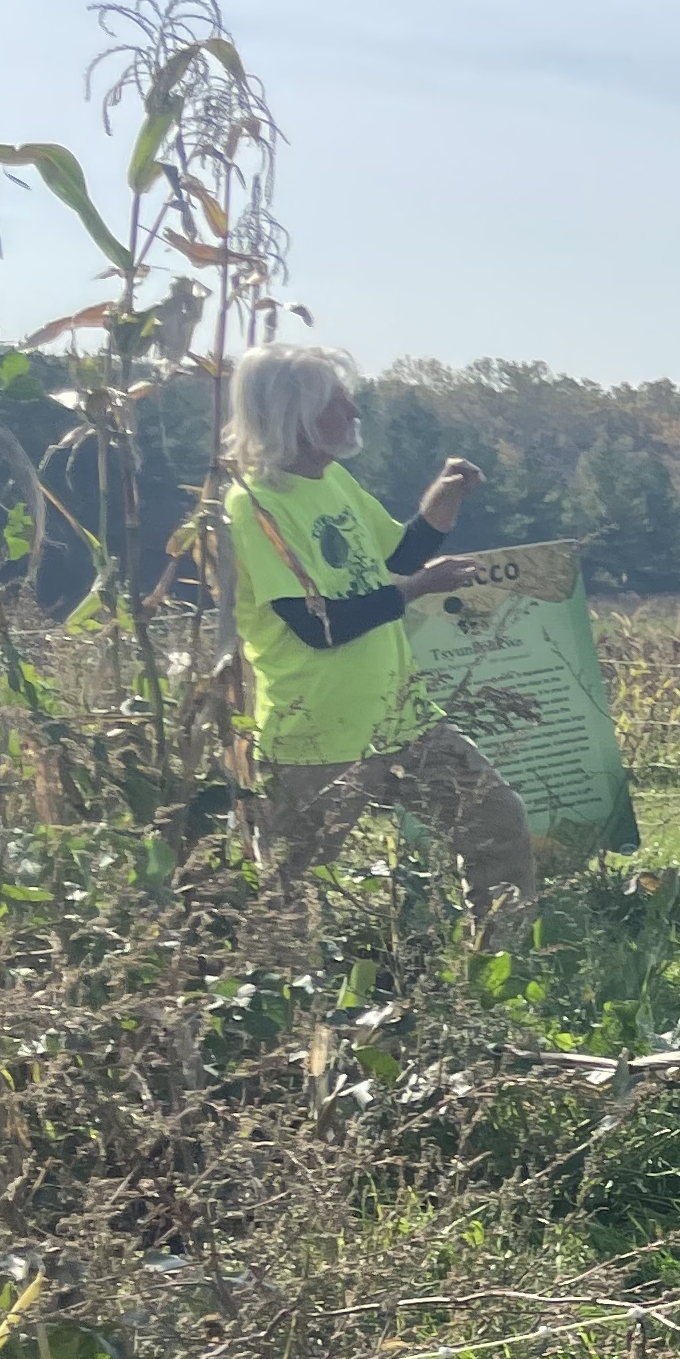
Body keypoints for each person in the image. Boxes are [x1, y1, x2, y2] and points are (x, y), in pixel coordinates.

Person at [221, 344, 537, 929]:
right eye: (335, 403)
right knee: (291, 888)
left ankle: (502, 971)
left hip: (401, 715)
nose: (352, 409)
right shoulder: (255, 506)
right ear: (295, 418)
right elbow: (319, 627)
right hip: (317, 733)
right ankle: (281, 1000)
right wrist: (418, 589)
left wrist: (444, 496)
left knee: (495, 822)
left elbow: (401, 552)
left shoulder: (332, 478)